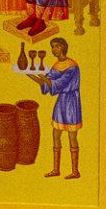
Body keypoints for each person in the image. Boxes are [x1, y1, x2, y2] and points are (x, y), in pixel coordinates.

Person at [29, 37, 81, 179]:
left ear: (63, 47)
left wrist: (46, 79)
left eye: (57, 46)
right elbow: (47, 84)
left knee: (72, 136)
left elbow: (60, 83)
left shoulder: (72, 66)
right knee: (56, 134)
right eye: (53, 47)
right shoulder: (56, 65)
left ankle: (75, 171)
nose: (54, 49)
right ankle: (56, 169)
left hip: (71, 102)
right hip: (61, 102)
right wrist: (30, 75)